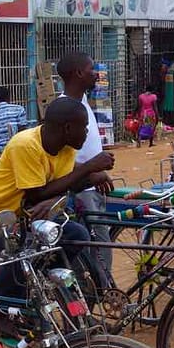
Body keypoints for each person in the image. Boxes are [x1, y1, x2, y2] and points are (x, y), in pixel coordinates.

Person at [0, 97, 113, 337]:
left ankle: (62, 299)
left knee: (75, 234)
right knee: (24, 245)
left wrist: (91, 177)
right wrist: (89, 168)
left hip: (18, 215)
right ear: (67, 128)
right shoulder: (26, 145)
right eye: (84, 127)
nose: (87, 132)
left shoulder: (66, 148)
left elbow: (58, 187)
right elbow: (37, 194)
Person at [58, 52, 114, 278]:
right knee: (98, 247)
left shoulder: (82, 102)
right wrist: (92, 172)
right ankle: (101, 293)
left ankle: (101, 290)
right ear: (79, 73)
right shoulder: (64, 109)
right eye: (92, 69)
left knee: (101, 243)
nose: (96, 74)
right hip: (81, 190)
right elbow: (60, 159)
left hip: (92, 187)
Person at [0, 87, 28, 157]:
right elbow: (22, 128)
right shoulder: (19, 109)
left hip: (1, 152)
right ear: (9, 97)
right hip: (17, 149)